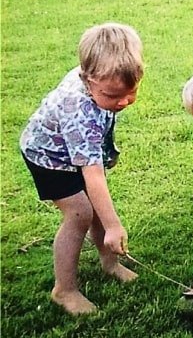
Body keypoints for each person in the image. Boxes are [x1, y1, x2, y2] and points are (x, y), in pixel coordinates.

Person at [20, 22, 144, 315]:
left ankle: (109, 262)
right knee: (80, 213)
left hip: (75, 149)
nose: (124, 101)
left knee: (96, 204)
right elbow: (93, 175)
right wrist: (113, 225)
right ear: (88, 80)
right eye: (113, 96)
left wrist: (106, 150)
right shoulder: (79, 109)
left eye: (131, 91)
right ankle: (65, 290)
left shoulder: (100, 83)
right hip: (48, 157)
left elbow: (100, 127)